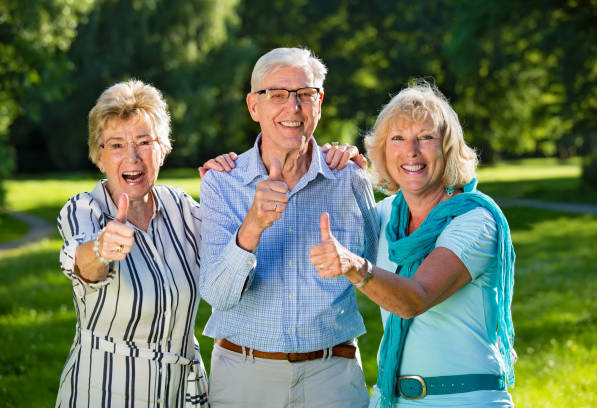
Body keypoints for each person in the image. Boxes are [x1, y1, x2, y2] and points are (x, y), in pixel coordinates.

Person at [309, 82, 516, 407]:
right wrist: (332, 170)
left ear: (448, 148)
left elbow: (414, 299)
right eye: (398, 139)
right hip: (391, 398)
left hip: (466, 399)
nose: (411, 151)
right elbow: (308, 242)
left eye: (426, 138)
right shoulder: (382, 216)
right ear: (382, 151)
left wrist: (355, 266)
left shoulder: (475, 219)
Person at [198, 47, 379, 408]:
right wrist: (253, 225)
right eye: (277, 95)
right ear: (254, 106)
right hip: (243, 377)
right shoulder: (222, 182)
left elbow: (380, 270)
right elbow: (216, 295)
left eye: (304, 95)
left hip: (333, 376)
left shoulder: (350, 178)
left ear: (319, 102)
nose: (292, 108)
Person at [55, 80, 209, 407]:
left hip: (180, 395)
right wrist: (101, 248)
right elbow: (82, 261)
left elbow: (237, 253)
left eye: (143, 141)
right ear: (99, 158)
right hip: (105, 392)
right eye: (116, 145)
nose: (132, 156)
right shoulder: (84, 209)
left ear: (163, 149)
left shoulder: (180, 207)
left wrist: (229, 184)